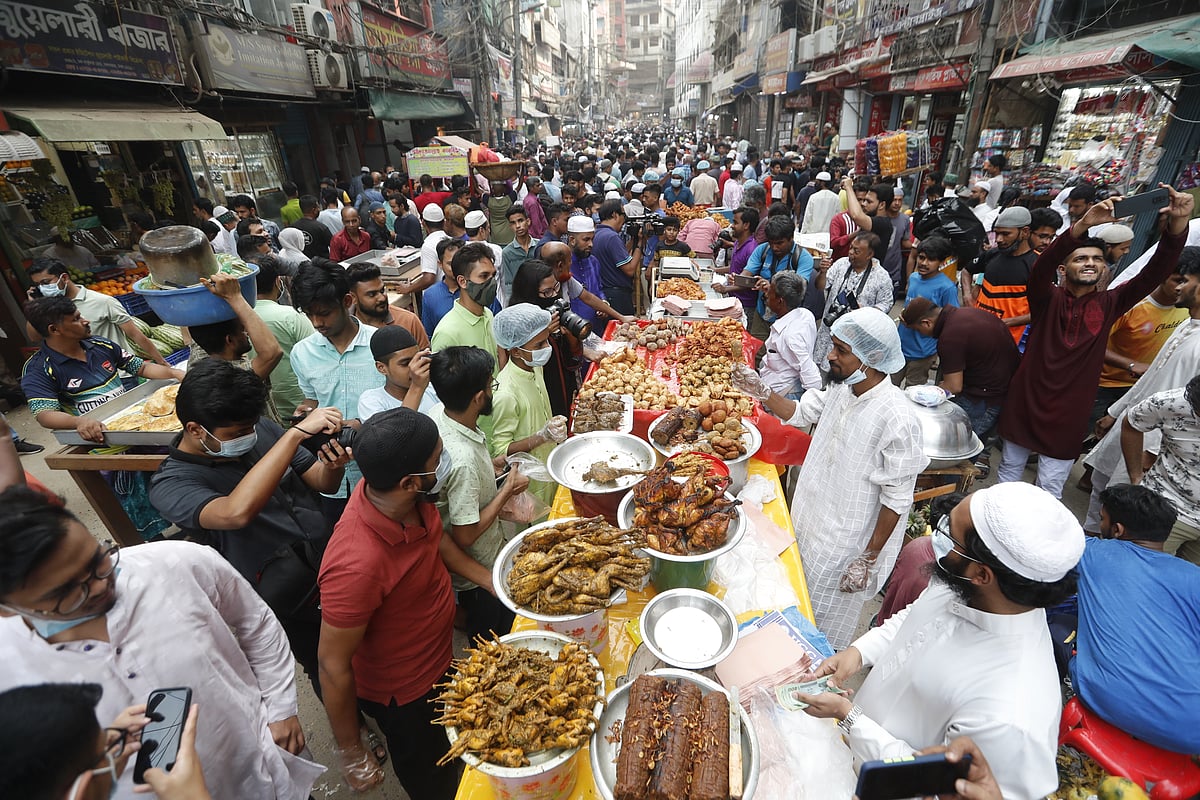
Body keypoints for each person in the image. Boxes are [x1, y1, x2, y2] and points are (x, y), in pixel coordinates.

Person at [0, 486, 325, 799]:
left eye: (97, 561)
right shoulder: (9, 664)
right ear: (8, 606)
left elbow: (256, 622)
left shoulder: (175, 563)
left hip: (263, 771)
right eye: (65, 593)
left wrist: (280, 709)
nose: (98, 587)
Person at [799, 482, 1083, 800]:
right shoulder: (967, 585)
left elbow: (930, 783)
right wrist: (858, 652)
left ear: (982, 573)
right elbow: (914, 617)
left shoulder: (1011, 709)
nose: (940, 546)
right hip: (845, 754)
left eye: (951, 538)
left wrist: (849, 716)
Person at [317, 408, 494, 798]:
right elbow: (332, 665)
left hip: (440, 656)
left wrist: (493, 581)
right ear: (410, 481)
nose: (444, 465)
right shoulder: (355, 563)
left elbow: (437, 541)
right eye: (438, 460)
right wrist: (351, 750)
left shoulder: (410, 501)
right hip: (406, 693)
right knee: (435, 776)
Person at [149, 360, 350, 690]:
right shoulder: (172, 484)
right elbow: (235, 513)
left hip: (328, 559)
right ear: (195, 429)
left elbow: (321, 483)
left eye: (250, 428)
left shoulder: (259, 431)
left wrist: (332, 465)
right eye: (236, 434)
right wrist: (294, 437)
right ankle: (352, 730)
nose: (248, 437)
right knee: (324, 663)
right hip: (283, 591)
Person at [733, 308, 927, 649]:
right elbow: (800, 412)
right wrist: (762, 391)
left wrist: (868, 557)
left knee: (818, 629)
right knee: (789, 600)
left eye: (841, 350)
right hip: (809, 518)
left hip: (844, 544)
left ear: (872, 359)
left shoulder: (897, 417)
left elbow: (896, 498)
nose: (830, 355)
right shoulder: (843, 387)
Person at [996, 184, 1192, 498]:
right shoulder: (1046, 298)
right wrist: (1084, 225)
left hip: (1069, 413)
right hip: (1025, 401)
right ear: (1063, 269)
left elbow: (1156, 271)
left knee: (1049, 488)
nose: (1090, 263)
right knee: (1008, 475)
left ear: (1104, 267)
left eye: (1097, 259)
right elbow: (1041, 268)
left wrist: (1177, 226)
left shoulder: (1111, 302)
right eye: (1080, 258)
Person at [1070, 483, 1200, 752]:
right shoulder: (1193, 576)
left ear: (1117, 530)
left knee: (1058, 622)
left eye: (1103, 519)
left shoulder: (1092, 552)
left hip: (1106, 702)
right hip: (1192, 729)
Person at [1083, 248, 1200, 532]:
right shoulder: (1187, 324)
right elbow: (1151, 379)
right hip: (1133, 423)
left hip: (1152, 441)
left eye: (1185, 279)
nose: (1179, 286)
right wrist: (1116, 412)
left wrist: (1153, 449)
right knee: (1102, 486)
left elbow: (1186, 408)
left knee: (1123, 509)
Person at [428, 346, 529, 639]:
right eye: (490, 386)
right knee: (494, 634)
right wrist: (507, 490)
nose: (492, 391)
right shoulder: (463, 460)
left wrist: (493, 465)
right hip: (478, 570)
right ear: (477, 398)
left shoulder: (441, 412)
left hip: (486, 551)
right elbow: (465, 535)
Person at [289, 260, 384, 521]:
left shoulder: (379, 345)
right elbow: (311, 398)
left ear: (347, 300)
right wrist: (305, 411)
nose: (317, 322)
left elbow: (401, 402)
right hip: (331, 477)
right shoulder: (302, 353)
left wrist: (361, 425)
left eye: (324, 312)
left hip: (378, 475)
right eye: (310, 314)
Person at [20, 297, 183, 443]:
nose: (86, 321)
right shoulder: (38, 369)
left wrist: (174, 373)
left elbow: (141, 367)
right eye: (76, 319)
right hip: (95, 441)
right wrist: (79, 422)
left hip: (131, 423)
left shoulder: (100, 345)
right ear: (54, 330)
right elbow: (45, 414)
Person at [901, 298, 1019, 439]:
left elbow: (953, 386)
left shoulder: (950, 337)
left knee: (961, 445)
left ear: (927, 323)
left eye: (917, 330)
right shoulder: (966, 313)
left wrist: (929, 393)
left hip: (983, 399)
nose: (920, 334)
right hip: (1005, 385)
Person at [490, 304, 569, 506]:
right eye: (539, 345)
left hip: (548, 464)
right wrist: (542, 437)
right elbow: (500, 450)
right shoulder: (506, 393)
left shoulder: (535, 368)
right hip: (529, 484)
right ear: (516, 351)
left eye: (546, 341)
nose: (547, 348)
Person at [1092, 263, 1189, 426]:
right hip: (1104, 385)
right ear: (1163, 276)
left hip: (1143, 388)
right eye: (1178, 280)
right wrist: (1131, 365)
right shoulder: (1131, 304)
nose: (1182, 288)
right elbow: (1090, 345)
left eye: (1188, 282)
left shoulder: (1189, 307)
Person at [26, 257, 169, 366]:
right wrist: (35, 305)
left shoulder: (102, 301)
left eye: (45, 282)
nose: (42, 288)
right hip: (87, 377)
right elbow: (35, 337)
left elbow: (135, 334)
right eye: (38, 285)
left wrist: (163, 363)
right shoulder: (48, 309)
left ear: (64, 277)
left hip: (120, 371)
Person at [186, 272, 285, 421]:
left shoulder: (197, 362)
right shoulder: (232, 377)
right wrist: (235, 296)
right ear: (229, 340)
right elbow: (272, 352)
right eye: (243, 330)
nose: (247, 333)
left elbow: (203, 322)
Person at [1122, 376, 1200, 564]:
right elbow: (1132, 423)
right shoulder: (1173, 403)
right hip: (1166, 509)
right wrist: (1135, 477)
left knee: (1186, 589)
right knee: (1138, 576)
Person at [430, 242, 504, 438]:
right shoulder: (447, 332)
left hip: (497, 421)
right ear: (462, 281)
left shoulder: (488, 314)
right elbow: (444, 395)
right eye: (483, 276)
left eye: (493, 275)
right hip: (474, 432)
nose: (491, 282)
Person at [812, 232, 893, 373]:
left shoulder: (881, 276)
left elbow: (886, 305)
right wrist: (822, 272)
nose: (851, 253)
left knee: (842, 374)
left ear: (869, 254)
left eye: (856, 251)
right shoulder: (841, 264)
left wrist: (866, 313)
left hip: (853, 339)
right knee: (818, 373)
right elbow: (820, 286)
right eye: (851, 248)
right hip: (828, 331)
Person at [250, 254, 317, 419]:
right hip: (299, 406)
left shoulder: (237, 319)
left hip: (259, 410)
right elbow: (316, 357)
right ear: (278, 281)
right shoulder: (292, 317)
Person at [963, 206, 1036, 343]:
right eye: (997, 233)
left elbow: (1044, 310)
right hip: (978, 332)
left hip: (1009, 341)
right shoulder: (993, 254)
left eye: (1006, 234)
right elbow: (967, 271)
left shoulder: (1037, 265)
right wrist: (967, 296)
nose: (998, 239)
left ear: (1025, 232)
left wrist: (1004, 323)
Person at [895, 236, 959, 387]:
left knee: (913, 392)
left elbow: (951, 321)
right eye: (921, 258)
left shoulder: (947, 288)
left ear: (942, 262)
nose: (924, 263)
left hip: (922, 353)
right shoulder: (913, 278)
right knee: (889, 387)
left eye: (931, 260)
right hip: (900, 347)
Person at [758, 272, 821, 400]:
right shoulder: (805, 314)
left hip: (784, 394)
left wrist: (809, 406)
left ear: (780, 301)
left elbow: (810, 373)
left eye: (769, 294)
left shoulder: (790, 337)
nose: (766, 295)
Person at [358, 326, 438, 419]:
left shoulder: (433, 390)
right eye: (406, 363)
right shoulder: (371, 401)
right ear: (381, 368)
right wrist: (417, 387)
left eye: (417, 359)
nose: (414, 367)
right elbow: (399, 431)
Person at [347, 262, 428, 347]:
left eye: (382, 290)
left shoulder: (409, 321)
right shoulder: (345, 328)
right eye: (372, 295)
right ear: (353, 298)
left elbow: (426, 357)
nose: (382, 298)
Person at [712, 206, 761, 316]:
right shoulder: (738, 243)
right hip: (733, 298)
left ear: (746, 225)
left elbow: (749, 281)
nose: (732, 226)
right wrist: (715, 270)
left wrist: (725, 288)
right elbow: (736, 266)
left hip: (745, 305)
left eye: (735, 222)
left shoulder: (751, 249)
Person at [422, 238, 464, 336]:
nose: (455, 267)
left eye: (459, 262)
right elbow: (429, 334)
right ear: (440, 264)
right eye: (450, 264)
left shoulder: (476, 290)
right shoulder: (430, 295)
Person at [500, 205, 535, 301]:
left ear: (528, 221)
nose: (518, 226)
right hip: (520, 299)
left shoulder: (539, 246)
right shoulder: (507, 252)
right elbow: (508, 284)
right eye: (513, 223)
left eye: (520, 221)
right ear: (510, 226)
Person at [287, 194, 333, 259]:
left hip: (303, 266)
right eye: (318, 207)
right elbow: (334, 246)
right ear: (314, 210)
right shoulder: (321, 228)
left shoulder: (292, 228)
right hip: (323, 264)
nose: (319, 209)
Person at [801, 171, 840, 236]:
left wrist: (803, 234)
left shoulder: (813, 197)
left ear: (822, 183)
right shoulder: (836, 198)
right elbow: (837, 217)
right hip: (829, 234)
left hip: (813, 234)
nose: (815, 184)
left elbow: (807, 217)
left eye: (817, 182)